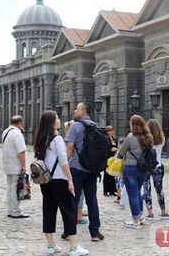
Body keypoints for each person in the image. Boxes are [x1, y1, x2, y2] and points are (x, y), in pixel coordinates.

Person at [35, 110, 89, 256]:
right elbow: (63, 161)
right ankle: (74, 246)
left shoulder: (41, 138)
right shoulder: (57, 139)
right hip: (59, 179)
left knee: (49, 210)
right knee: (69, 211)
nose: (59, 120)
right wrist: (70, 179)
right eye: (57, 118)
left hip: (45, 180)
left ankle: (51, 245)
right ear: (52, 122)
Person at [64, 102, 104, 242]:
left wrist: (64, 164)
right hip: (92, 169)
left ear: (83, 111)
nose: (74, 110)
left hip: (77, 168)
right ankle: (95, 232)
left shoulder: (75, 126)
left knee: (73, 200)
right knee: (92, 200)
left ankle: (69, 232)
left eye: (77, 108)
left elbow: (69, 146)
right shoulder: (94, 125)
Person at [117, 115, 153, 229]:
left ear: (132, 125)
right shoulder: (148, 137)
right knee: (137, 192)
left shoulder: (130, 137)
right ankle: (141, 216)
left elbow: (121, 153)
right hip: (143, 169)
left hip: (130, 168)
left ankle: (135, 220)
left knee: (132, 194)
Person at [2, 115, 29, 218]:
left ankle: (10, 210)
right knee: (15, 188)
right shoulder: (17, 134)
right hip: (15, 164)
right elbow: (21, 152)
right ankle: (15, 211)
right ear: (20, 123)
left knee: (10, 187)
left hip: (7, 164)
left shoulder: (6, 132)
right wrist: (23, 166)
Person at [143, 119, 169, 220]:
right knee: (159, 189)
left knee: (147, 189)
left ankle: (150, 212)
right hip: (158, 166)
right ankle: (163, 211)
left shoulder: (146, 140)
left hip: (146, 167)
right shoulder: (162, 138)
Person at [103, 126, 118, 197]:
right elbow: (106, 148)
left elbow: (117, 146)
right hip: (107, 159)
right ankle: (105, 190)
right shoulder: (105, 139)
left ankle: (112, 191)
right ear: (107, 132)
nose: (112, 132)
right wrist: (111, 148)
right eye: (110, 131)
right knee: (106, 175)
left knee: (112, 174)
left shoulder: (114, 139)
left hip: (114, 159)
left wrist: (115, 148)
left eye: (112, 130)